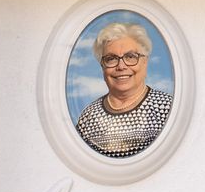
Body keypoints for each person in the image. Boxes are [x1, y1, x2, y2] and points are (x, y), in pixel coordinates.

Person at [73, 21, 172, 159]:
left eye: (130, 57)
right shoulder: (88, 117)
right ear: (102, 66)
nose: (121, 66)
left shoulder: (167, 108)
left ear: (145, 61)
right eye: (111, 59)